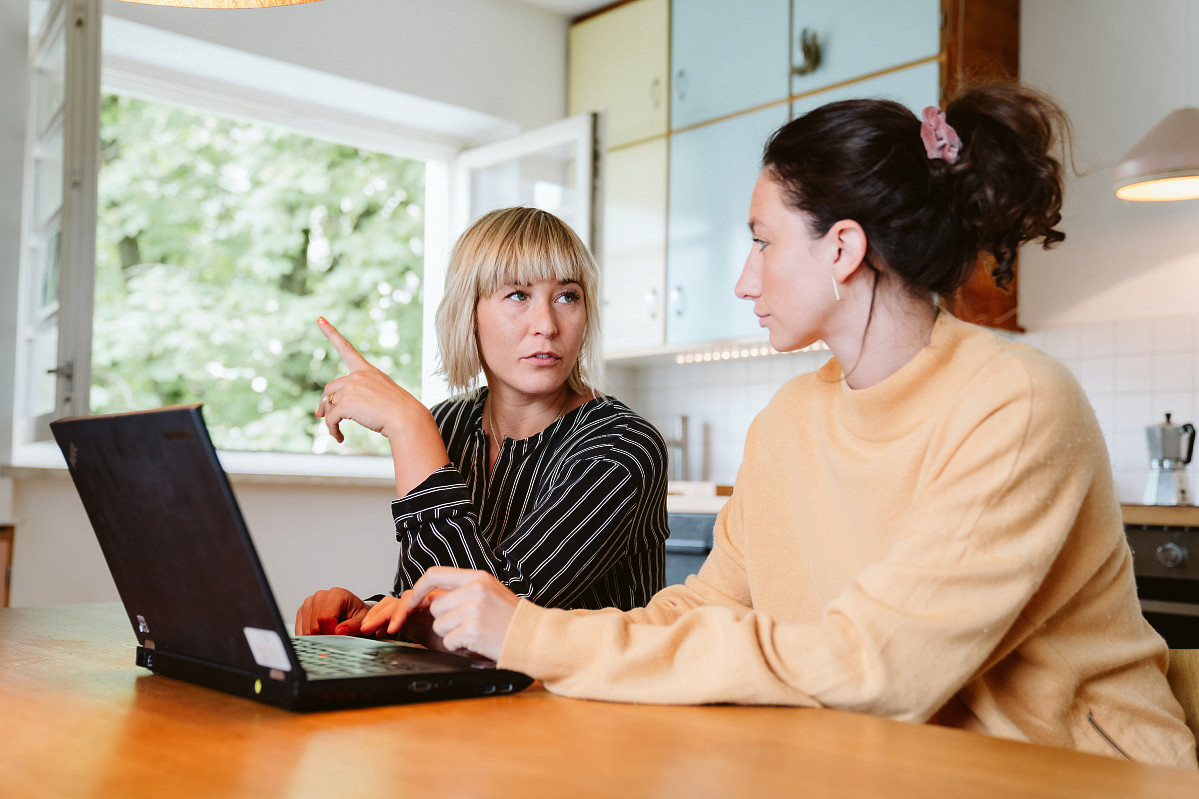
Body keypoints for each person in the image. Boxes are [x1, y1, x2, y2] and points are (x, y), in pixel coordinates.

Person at [357, 85, 1198, 767]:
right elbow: (701, 608)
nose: (742, 279)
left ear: (839, 250)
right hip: (886, 760)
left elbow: (877, 666)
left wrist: (533, 631)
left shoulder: (1014, 401)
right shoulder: (791, 417)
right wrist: (519, 631)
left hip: (1076, 771)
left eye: (761, 242)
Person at [295, 206, 669, 636]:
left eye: (568, 296)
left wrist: (408, 426)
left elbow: (495, 619)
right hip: (473, 695)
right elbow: (430, 595)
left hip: (582, 698)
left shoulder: (623, 447)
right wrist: (376, 612)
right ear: (468, 312)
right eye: (518, 295)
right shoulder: (449, 423)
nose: (546, 325)